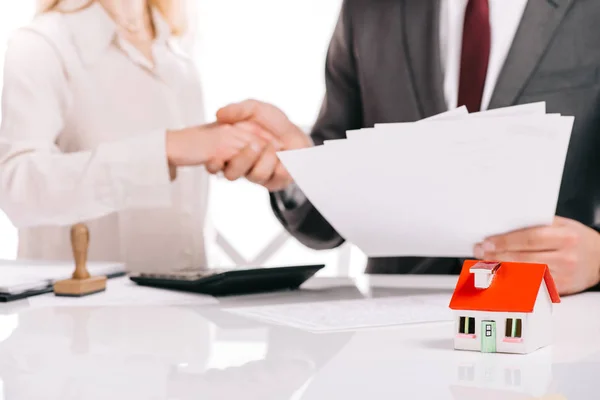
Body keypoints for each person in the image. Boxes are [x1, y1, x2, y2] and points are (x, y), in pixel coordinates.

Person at [209, 0, 600, 295]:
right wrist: (299, 169)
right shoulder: (369, 8)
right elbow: (329, 211)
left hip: (556, 321)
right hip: (391, 326)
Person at [0, 0, 274, 271]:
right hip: (82, 310)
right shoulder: (42, 44)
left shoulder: (178, 50)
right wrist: (163, 150)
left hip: (186, 306)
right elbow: (17, 188)